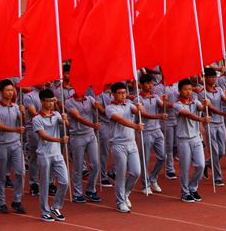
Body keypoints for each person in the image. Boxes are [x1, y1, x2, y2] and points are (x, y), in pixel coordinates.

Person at [0, 80, 27, 214]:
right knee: (1, 176)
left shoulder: (16, 107)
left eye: (12, 90)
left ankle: (17, 200)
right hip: (2, 145)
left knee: (20, 172)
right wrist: (15, 130)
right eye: (7, 90)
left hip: (16, 144)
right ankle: (1, 202)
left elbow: (24, 122)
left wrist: (22, 113)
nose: (10, 93)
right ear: (1, 92)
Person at [105, 82, 142, 214]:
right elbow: (119, 119)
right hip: (118, 144)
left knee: (136, 172)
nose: (122, 95)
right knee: (121, 174)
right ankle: (120, 202)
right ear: (113, 94)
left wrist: (139, 108)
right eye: (119, 93)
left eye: (124, 93)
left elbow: (140, 112)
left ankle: (125, 193)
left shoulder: (129, 105)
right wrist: (135, 126)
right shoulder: (110, 108)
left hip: (132, 143)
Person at [33, 88, 69, 222]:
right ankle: (44, 211)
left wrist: (65, 119)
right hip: (44, 154)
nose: (50, 104)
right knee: (44, 184)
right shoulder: (37, 119)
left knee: (64, 181)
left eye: (52, 101)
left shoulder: (57, 115)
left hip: (57, 154)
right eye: (47, 101)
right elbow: (43, 135)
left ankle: (56, 206)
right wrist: (60, 140)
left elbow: (66, 125)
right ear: (42, 102)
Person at [172, 78, 210, 203]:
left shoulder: (195, 102)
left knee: (200, 164)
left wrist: (206, 104)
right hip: (183, 140)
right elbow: (187, 114)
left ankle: (193, 187)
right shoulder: (177, 104)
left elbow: (202, 108)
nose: (188, 92)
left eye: (190, 89)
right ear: (179, 91)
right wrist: (201, 120)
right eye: (185, 90)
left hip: (196, 138)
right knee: (185, 167)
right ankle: (185, 192)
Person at [65, 88, 102, 204]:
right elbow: (77, 117)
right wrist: (92, 125)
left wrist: (97, 106)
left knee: (95, 164)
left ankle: (91, 189)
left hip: (90, 135)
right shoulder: (69, 102)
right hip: (77, 137)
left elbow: (101, 111)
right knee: (78, 166)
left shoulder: (90, 99)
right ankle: (77, 192)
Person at [138, 73, 167, 195]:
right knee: (145, 159)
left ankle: (153, 178)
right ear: (141, 85)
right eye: (148, 83)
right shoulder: (138, 100)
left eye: (151, 83)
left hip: (157, 130)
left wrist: (165, 102)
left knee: (162, 157)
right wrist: (159, 116)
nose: (150, 85)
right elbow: (144, 114)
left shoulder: (155, 97)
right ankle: (145, 184)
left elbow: (163, 106)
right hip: (145, 132)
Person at [202, 67, 226, 187]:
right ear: (205, 78)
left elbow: (224, 101)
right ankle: (218, 177)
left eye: (215, 77)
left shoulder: (219, 89)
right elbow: (210, 109)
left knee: (222, 151)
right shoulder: (202, 93)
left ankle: (207, 163)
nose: (213, 79)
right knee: (214, 151)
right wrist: (223, 113)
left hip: (221, 123)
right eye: (211, 77)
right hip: (211, 124)